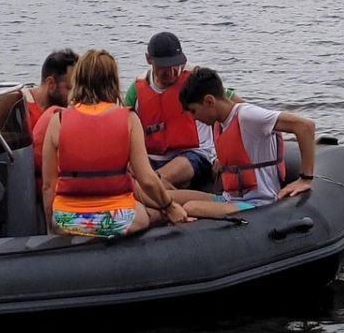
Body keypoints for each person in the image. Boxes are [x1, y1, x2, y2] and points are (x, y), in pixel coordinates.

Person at [41, 49, 184, 238]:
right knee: (146, 215)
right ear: (113, 81)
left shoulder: (57, 121)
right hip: (117, 219)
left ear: (78, 80)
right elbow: (147, 179)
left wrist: (51, 229)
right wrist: (169, 207)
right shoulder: (129, 119)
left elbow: (48, 185)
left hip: (67, 221)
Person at [169, 67, 318, 218]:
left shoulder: (247, 116)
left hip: (258, 204)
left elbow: (305, 126)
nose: (193, 118)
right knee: (167, 197)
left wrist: (305, 179)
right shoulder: (220, 123)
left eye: (193, 111)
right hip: (229, 199)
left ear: (209, 101)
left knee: (191, 207)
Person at [122, 31, 216, 189]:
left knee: (158, 178)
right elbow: (123, 130)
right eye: (164, 66)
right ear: (149, 59)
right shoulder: (137, 89)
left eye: (175, 64)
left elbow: (229, 107)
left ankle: (157, 188)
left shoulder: (196, 78)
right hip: (151, 158)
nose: (172, 72)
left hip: (193, 155)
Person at [23, 47, 78, 162]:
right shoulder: (21, 107)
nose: (75, 96)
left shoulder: (68, 113)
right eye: (70, 88)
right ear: (51, 84)